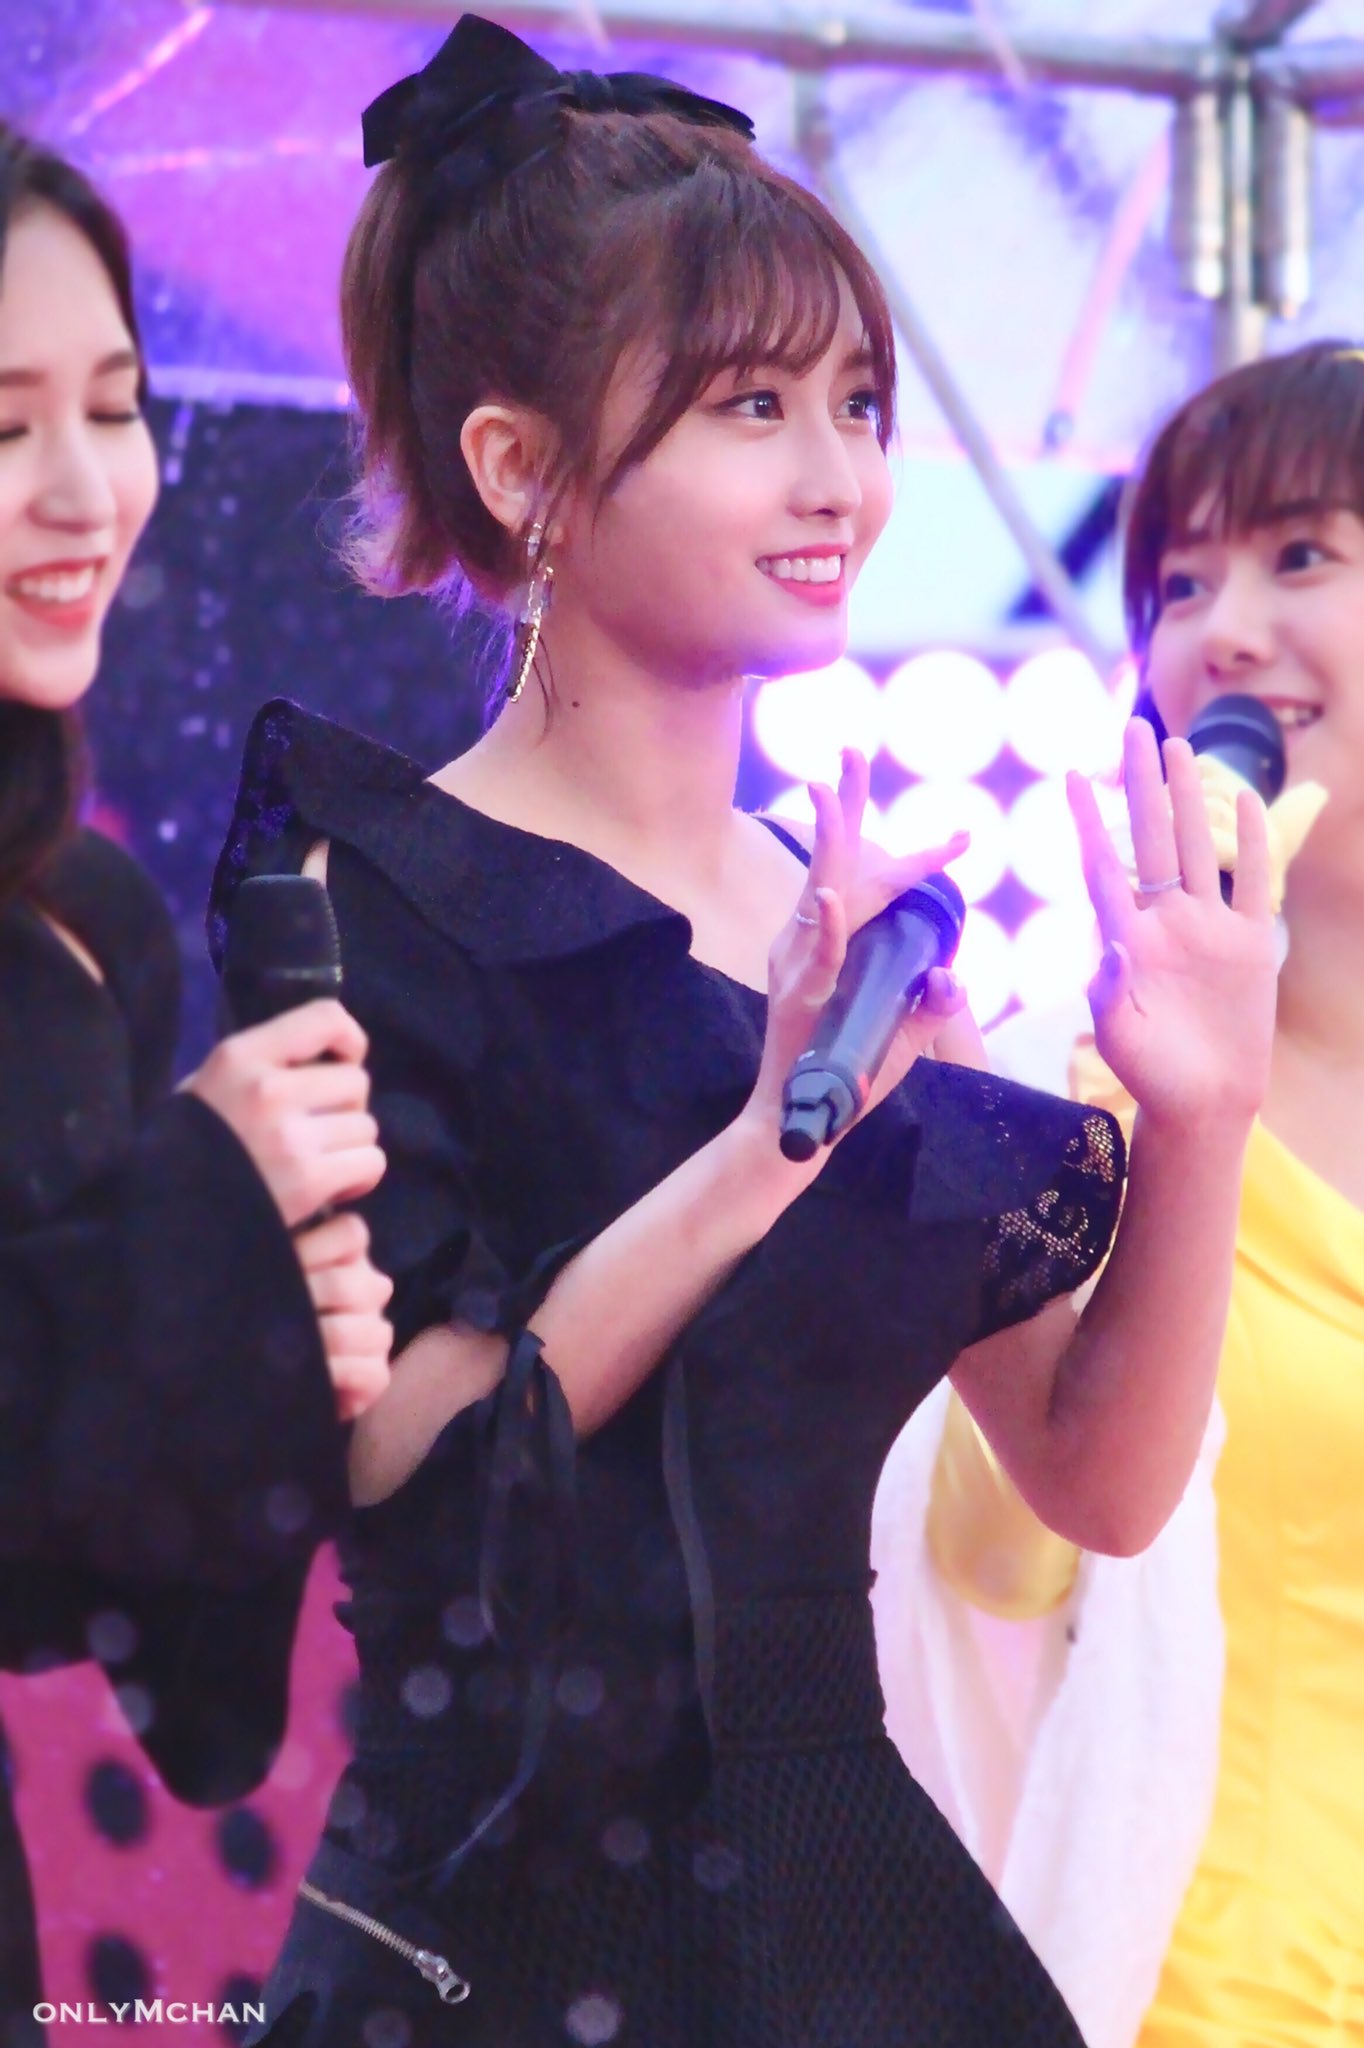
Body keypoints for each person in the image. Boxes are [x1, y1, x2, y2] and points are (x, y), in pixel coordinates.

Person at [209, 19, 1279, 2045]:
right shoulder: (368, 893)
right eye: (751, 406)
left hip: (845, 1890)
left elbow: (1094, 1475)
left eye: (858, 401)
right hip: (502, 1915)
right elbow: (412, 1471)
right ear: (520, 469)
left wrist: (1201, 1114)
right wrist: (761, 1147)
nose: (838, 476)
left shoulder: (849, 926)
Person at [872, 339, 1364, 2048]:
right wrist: (1136, 1126)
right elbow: (996, 1563)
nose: (1223, 629)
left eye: (1301, 554)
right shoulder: (1075, 1092)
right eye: (1179, 582)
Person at [0, 126, 394, 2041]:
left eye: (115, 407)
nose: (85, 491)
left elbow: (121, 1585)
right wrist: (203, 1207)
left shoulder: (83, 931)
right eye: (3, 428)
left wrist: (276, 1330)